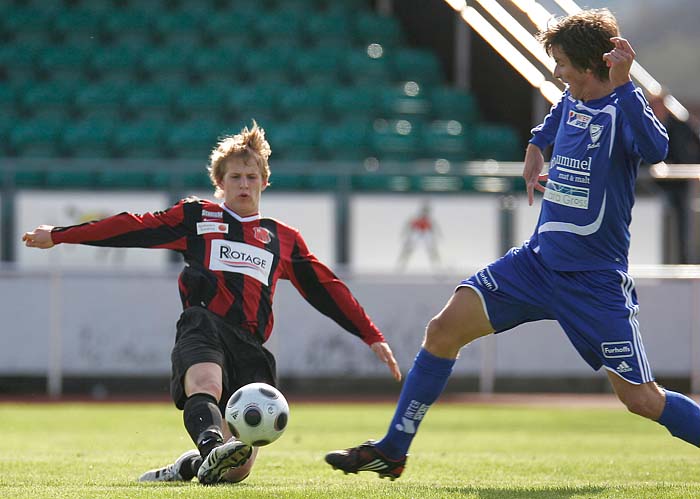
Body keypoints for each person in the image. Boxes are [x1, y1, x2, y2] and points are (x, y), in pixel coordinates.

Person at [325, 9, 700, 480]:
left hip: (593, 281)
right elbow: (555, 118)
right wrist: (535, 147)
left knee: (642, 400)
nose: (557, 71)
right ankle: (393, 449)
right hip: (536, 264)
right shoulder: (572, 98)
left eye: (562, 62)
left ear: (589, 64)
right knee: (443, 330)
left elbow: (657, 149)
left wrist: (626, 85)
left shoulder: (623, 106)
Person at [22, 121, 402, 485]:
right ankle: (210, 445)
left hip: (251, 343)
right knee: (206, 384)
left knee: (237, 471)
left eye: (251, 177)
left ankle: (187, 466)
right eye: (235, 177)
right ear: (219, 183)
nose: (244, 184)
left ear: (265, 182)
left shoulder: (281, 238)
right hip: (203, 324)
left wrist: (370, 335)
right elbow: (132, 225)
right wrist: (59, 235)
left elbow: (326, 287)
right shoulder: (198, 216)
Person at [648, 93, 700, 263]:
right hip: (652, 185)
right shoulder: (645, 126)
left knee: (682, 223)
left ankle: (682, 260)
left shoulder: (680, 126)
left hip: (678, 183)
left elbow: (689, 150)